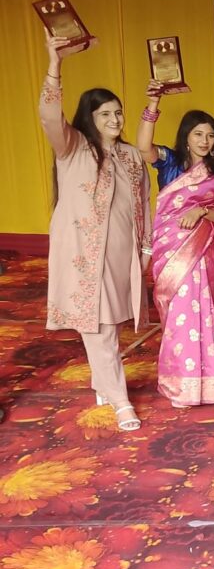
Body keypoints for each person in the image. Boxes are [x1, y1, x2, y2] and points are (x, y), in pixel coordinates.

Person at [40, 33, 151, 431]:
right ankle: (120, 401)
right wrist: (55, 64)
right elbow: (50, 116)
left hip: (122, 255)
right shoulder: (73, 147)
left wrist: (146, 250)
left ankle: (101, 382)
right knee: (100, 326)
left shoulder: (130, 155)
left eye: (118, 113)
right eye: (105, 114)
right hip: (85, 255)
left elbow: (144, 204)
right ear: (90, 117)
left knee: (113, 322)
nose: (115, 120)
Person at [139, 85, 214, 407]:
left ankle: (208, 385)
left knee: (203, 312)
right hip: (172, 249)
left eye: (210, 135)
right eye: (198, 134)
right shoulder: (170, 163)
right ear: (186, 136)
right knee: (180, 314)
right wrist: (152, 104)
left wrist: (201, 211)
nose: (205, 141)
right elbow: (143, 147)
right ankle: (181, 385)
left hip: (204, 250)